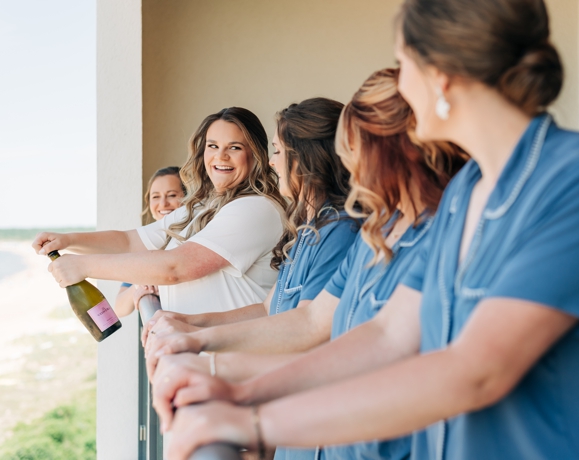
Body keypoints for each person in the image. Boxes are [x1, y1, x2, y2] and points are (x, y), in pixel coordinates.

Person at [151, 1, 579, 459]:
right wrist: (238, 394)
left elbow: (476, 369)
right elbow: (388, 333)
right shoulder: (466, 192)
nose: (398, 86)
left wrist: (253, 424)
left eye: (405, 65)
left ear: (441, 75)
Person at [148, 68, 465, 460]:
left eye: (358, 145)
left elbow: (344, 339)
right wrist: (197, 341)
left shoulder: (365, 231)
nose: (350, 160)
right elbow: (313, 318)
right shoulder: (374, 234)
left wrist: (231, 387)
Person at [141, 98, 358, 355]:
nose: (271, 162)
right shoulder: (306, 228)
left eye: (277, 151)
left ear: (306, 159)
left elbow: (306, 326)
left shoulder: (340, 230)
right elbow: (267, 309)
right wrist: (188, 323)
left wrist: (201, 341)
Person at [32, 107, 285, 319]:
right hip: (197, 362)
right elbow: (130, 241)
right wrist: (69, 240)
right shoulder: (200, 206)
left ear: (255, 155)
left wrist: (83, 266)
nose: (220, 156)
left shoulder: (256, 208)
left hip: (236, 366)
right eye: (213, 146)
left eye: (235, 147)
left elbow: (176, 267)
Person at [113, 166, 186, 317]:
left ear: (188, 198)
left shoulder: (195, 241)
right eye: (156, 196)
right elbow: (119, 308)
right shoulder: (144, 246)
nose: (163, 203)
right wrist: (141, 284)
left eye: (171, 195)